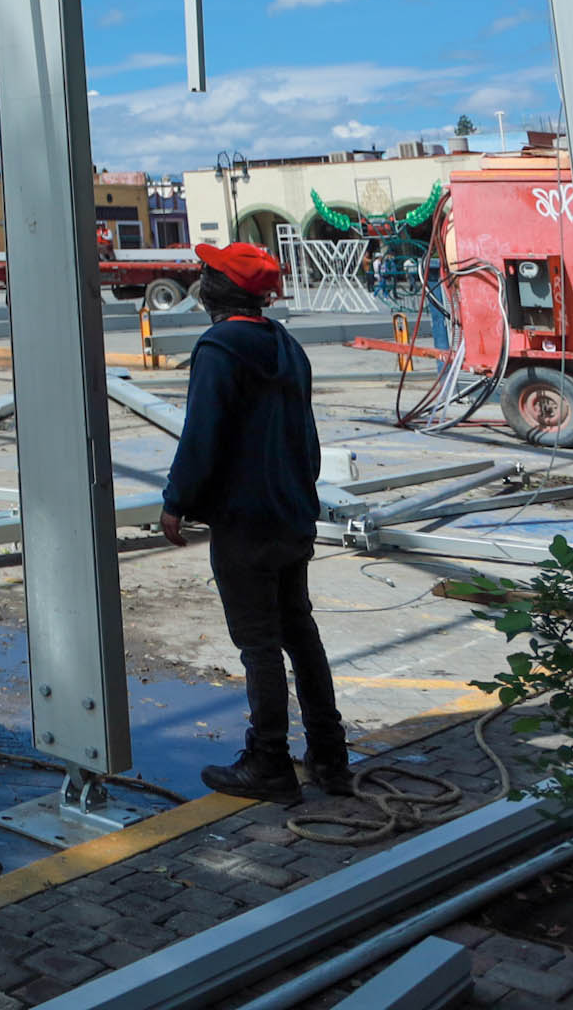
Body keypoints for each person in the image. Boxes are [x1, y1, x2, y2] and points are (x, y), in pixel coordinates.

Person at [159, 241, 349, 804]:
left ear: (220, 289)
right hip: (291, 517)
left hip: (245, 523)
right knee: (300, 635)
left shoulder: (220, 346)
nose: (200, 278)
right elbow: (306, 441)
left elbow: (203, 436)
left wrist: (177, 500)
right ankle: (330, 759)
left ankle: (269, 762)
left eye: (206, 273)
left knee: (260, 645)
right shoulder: (286, 345)